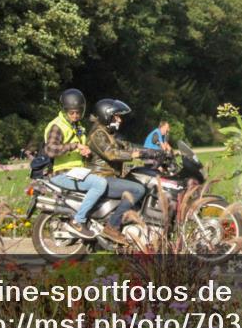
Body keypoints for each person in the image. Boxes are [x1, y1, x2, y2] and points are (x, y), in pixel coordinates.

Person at [88, 98, 161, 243]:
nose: (120, 120)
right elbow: (111, 153)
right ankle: (112, 226)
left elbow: (127, 146)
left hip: (110, 176)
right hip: (101, 177)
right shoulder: (97, 134)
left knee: (142, 182)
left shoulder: (107, 132)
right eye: (117, 116)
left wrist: (151, 151)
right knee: (137, 190)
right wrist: (136, 154)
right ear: (106, 115)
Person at [43, 89, 107, 240]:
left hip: (76, 172)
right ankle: (78, 221)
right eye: (72, 112)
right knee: (100, 184)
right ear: (64, 111)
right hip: (61, 173)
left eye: (78, 112)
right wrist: (75, 146)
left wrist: (85, 151)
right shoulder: (57, 126)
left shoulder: (77, 127)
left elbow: (79, 149)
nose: (75, 115)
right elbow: (51, 150)